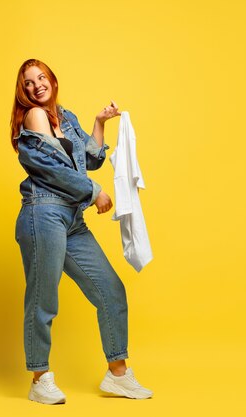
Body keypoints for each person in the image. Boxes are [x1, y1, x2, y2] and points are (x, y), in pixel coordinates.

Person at [9, 58, 153, 404]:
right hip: (43, 212)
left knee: (111, 290)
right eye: (28, 83)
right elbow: (55, 170)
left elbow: (90, 159)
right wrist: (94, 192)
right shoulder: (35, 117)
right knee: (44, 297)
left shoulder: (66, 117)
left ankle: (118, 374)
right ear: (23, 92)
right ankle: (40, 377)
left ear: (52, 80)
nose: (36, 85)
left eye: (41, 78)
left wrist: (99, 122)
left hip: (72, 219)